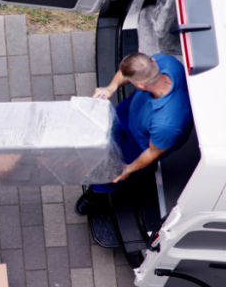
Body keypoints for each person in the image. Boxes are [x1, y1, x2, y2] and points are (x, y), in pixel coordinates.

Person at [76, 52, 194, 215]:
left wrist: (128, 169)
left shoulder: (167, 123)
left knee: (112, 171)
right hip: (128, 114)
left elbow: (153, 152)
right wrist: (111, 87)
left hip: (138, 146)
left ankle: (98, 191)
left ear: (140, 86)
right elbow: (126, 72)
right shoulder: (164, 61)